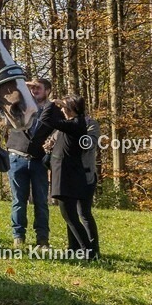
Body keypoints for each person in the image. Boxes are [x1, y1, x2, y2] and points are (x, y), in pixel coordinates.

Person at [42, 95, 100, 260]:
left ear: (71, 108)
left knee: (83, 213)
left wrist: (77, 140)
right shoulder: (67, 125)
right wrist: (50, 145)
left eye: (64, 107)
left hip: (83, 173)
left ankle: (92, 250)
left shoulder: (87, 124)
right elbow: (55, 140)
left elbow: (89, 144)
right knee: (71, 214)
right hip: (67, 172)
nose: (61, 109)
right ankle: (74, 248)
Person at [7, 77, 53, 248]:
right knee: (18, 200)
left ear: (47, 91)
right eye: (32, 88)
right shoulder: (21, 105)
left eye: (38, 88)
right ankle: (18, 237)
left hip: (39, 160)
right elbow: (11, 90)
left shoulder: (52, 110)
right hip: (17, 157)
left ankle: (42, 239)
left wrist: (52, 142)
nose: (34, 91)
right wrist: (26, 84)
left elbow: (61, 128)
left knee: (41, 201)